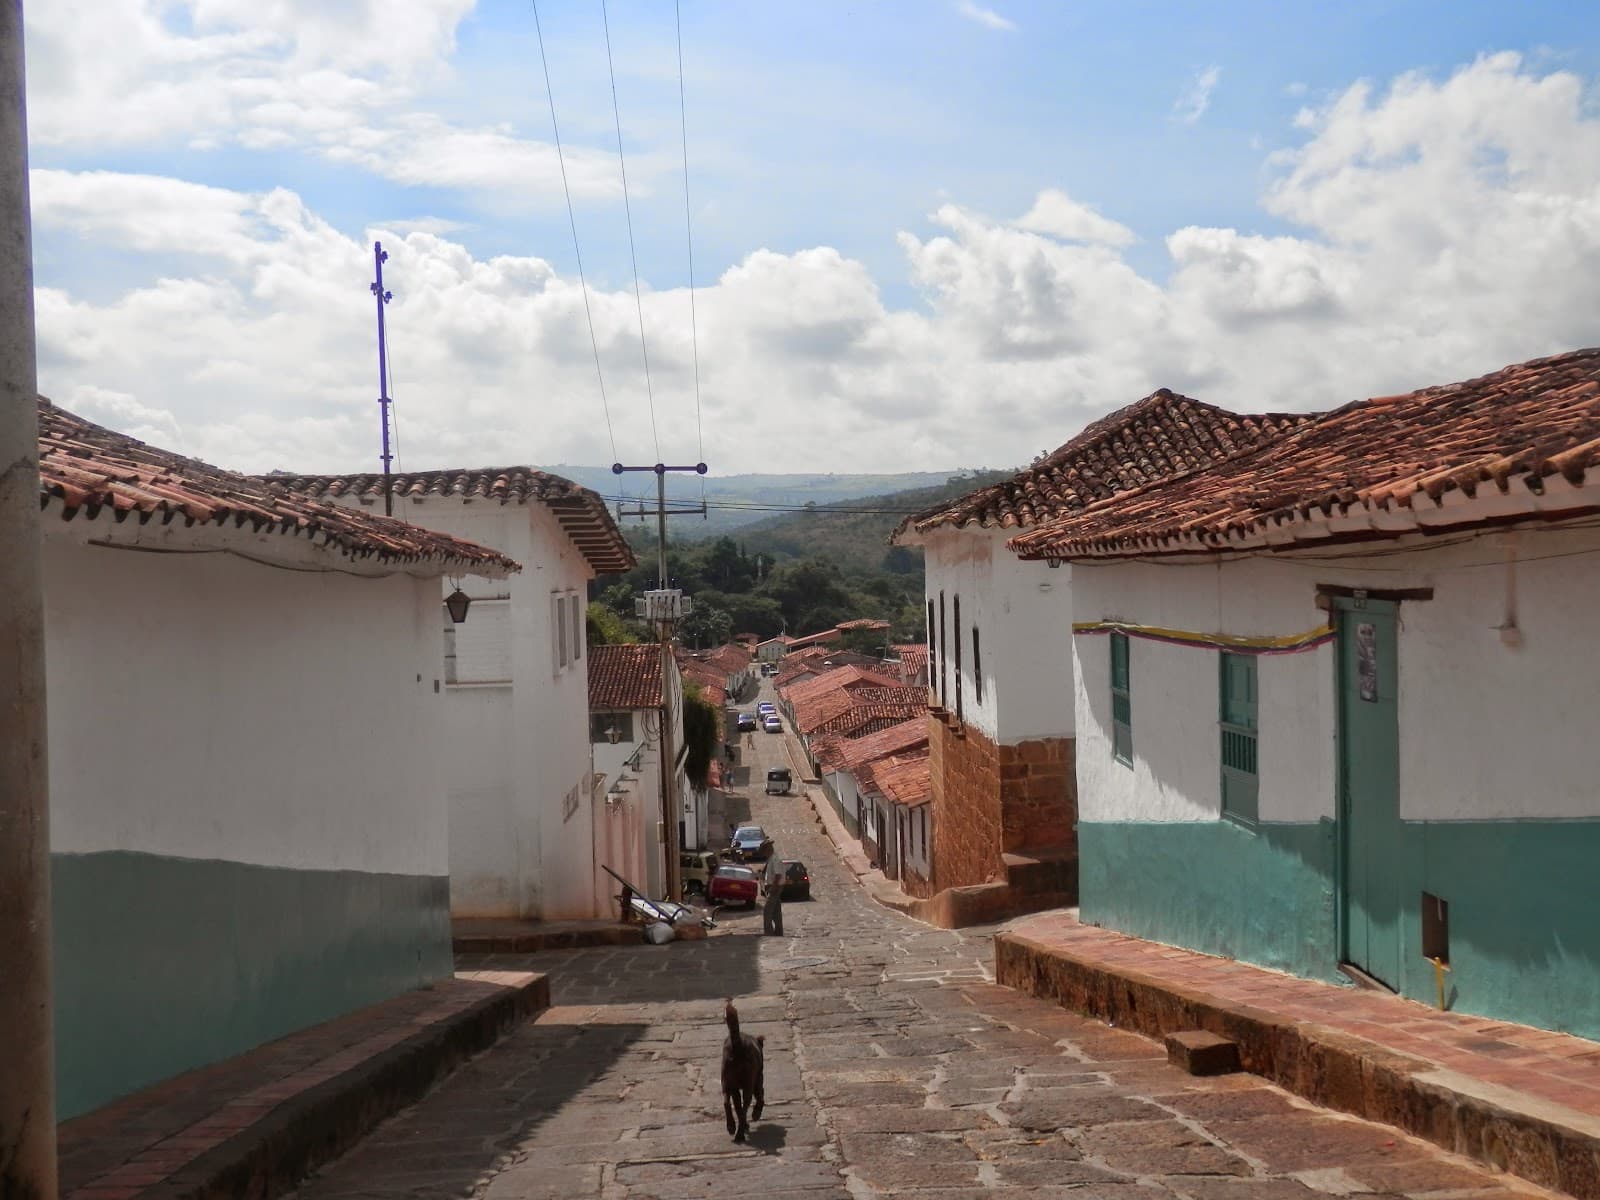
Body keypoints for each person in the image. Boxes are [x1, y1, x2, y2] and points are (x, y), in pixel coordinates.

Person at [761, 861, 784, 937]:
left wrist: (774, 887)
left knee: (767, 911)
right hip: (772, 887)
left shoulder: (774, 860)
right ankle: (779, 932)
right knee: (776, 912)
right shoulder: (770, 861)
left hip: (774, 888)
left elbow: (778, 875)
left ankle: (769, 932)